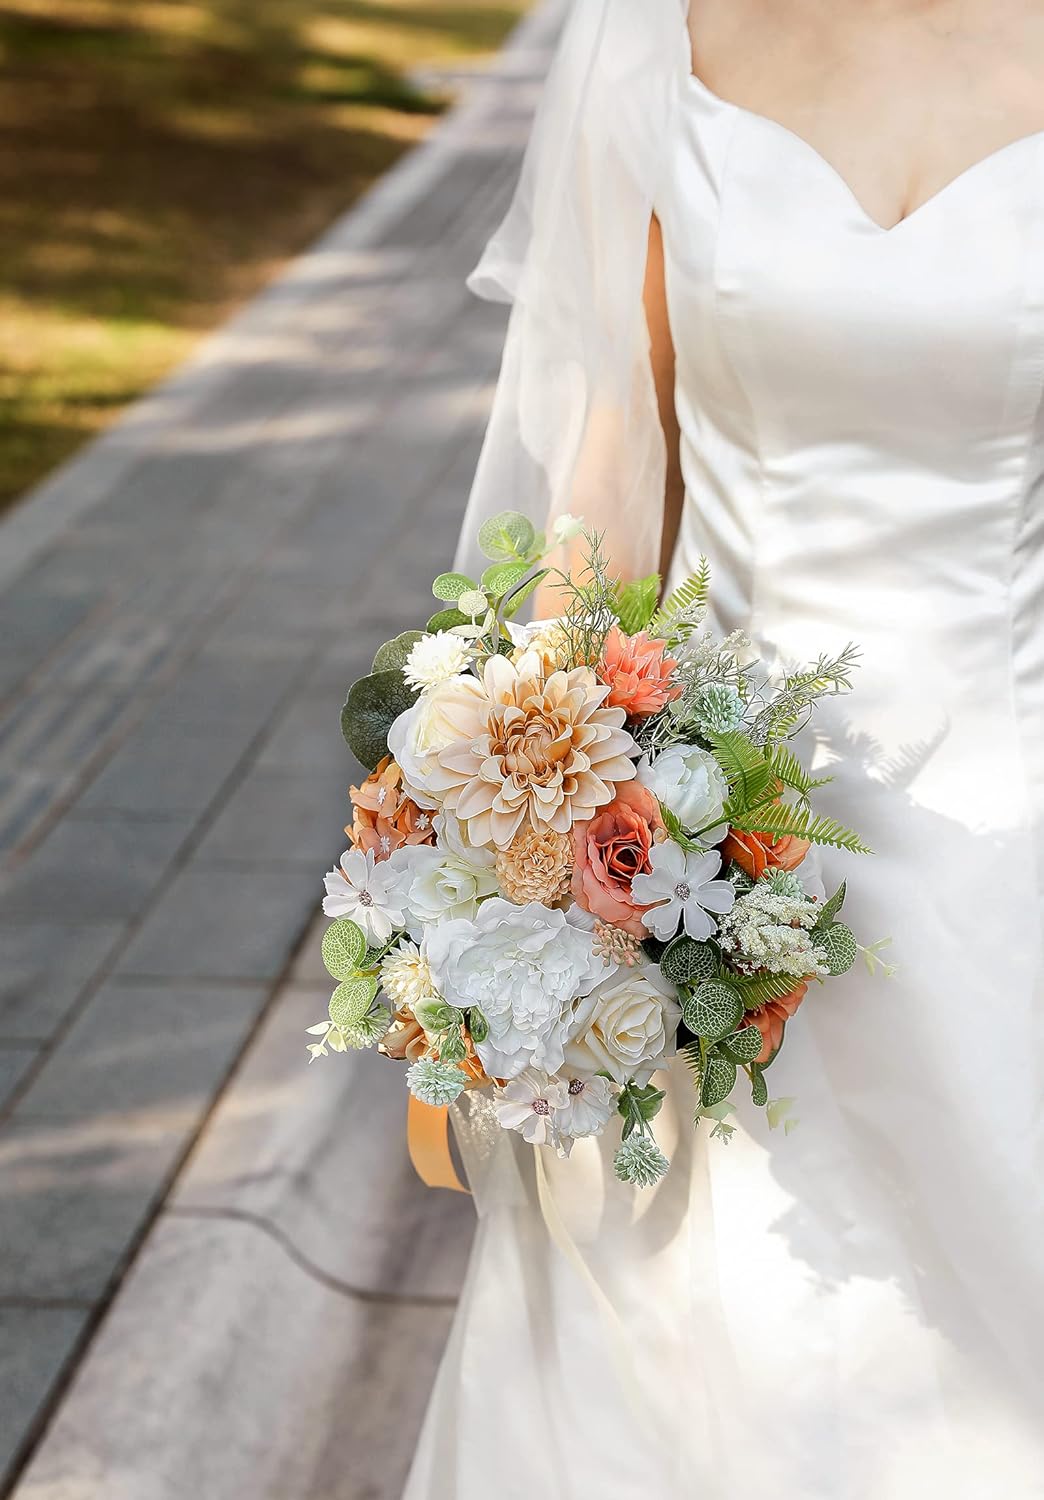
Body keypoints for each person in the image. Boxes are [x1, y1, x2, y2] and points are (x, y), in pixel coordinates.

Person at [404, 0, 1044, 1494]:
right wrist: (501, 881)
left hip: (1015, 836)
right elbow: (611, 475)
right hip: (702, 856)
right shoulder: (658, 29)